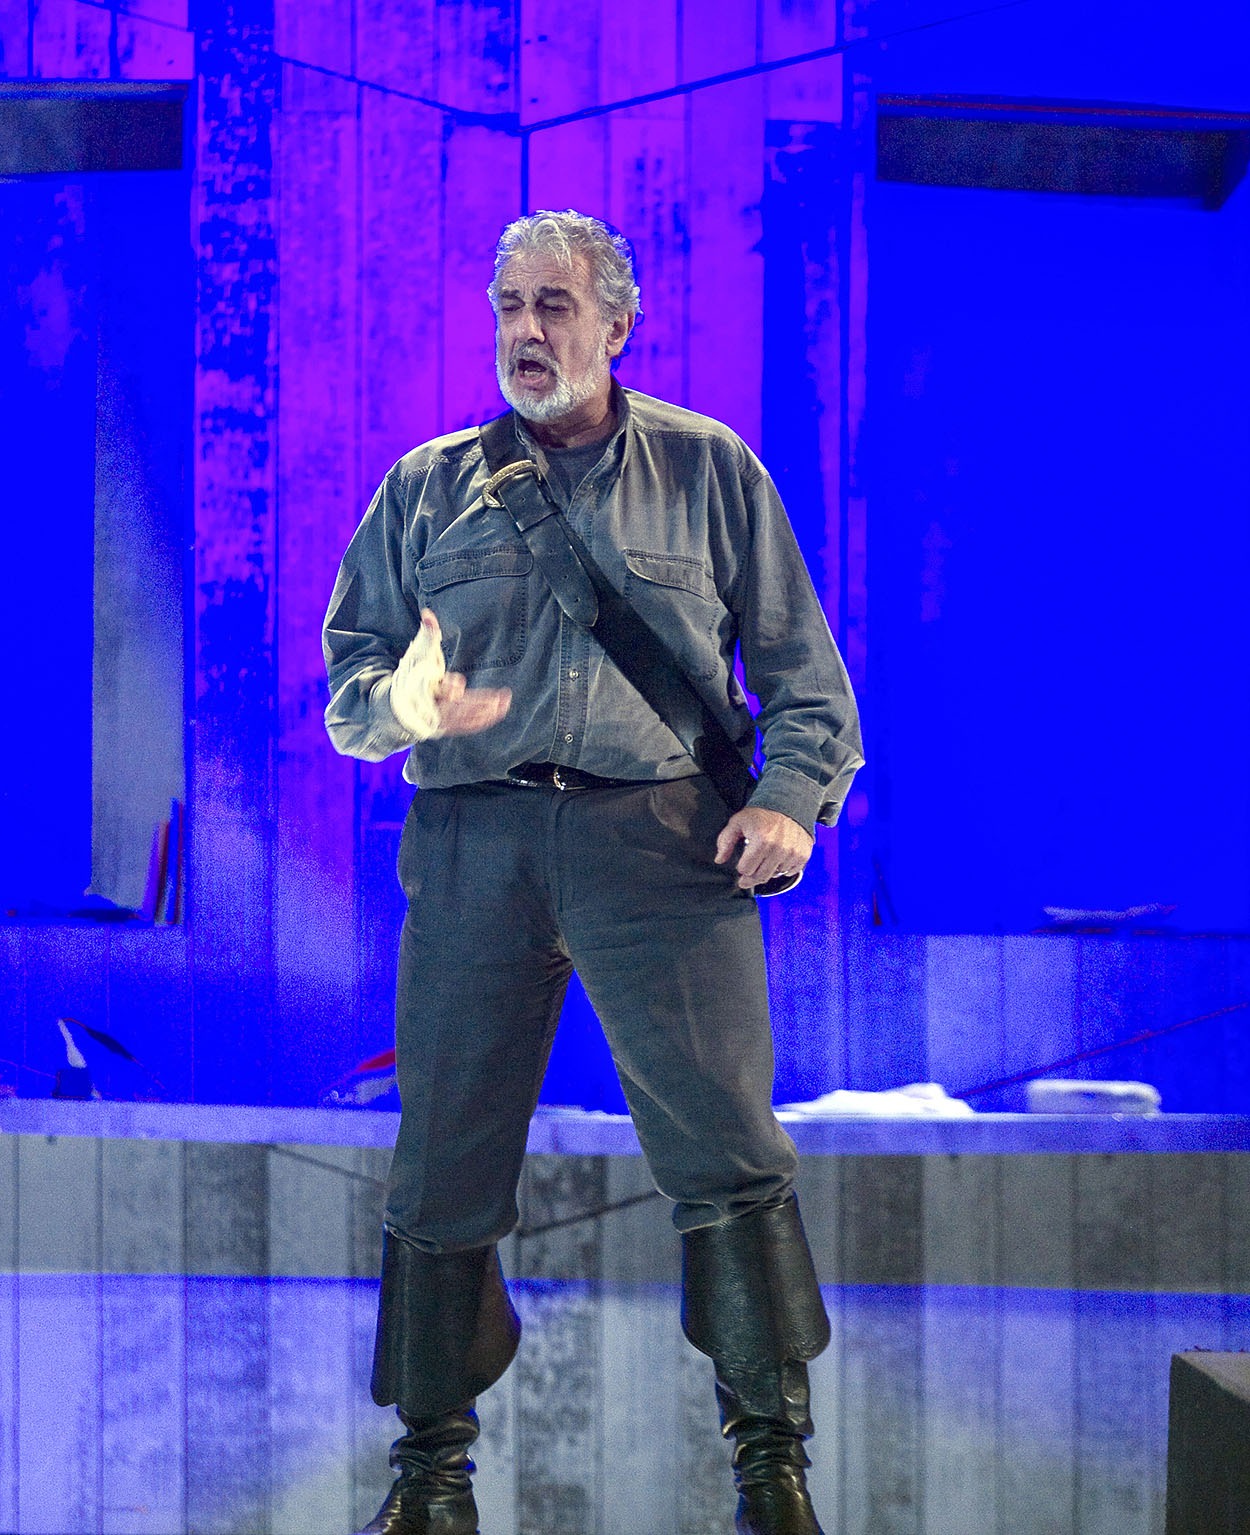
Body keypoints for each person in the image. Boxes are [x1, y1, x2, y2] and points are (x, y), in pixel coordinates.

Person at [322, 210, 863, 1535]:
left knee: (728, 1153)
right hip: (474, 842)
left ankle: (769, 1466)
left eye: (554, 305)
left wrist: (789, 804)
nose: (525, 330)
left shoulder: (706, 467)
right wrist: (396, 710)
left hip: (664, 844)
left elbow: (809, 693)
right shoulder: (426, 485)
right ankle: (430, 1474)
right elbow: (344, 693)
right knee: (437, 1163)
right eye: (508, 304)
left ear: (615, 324)